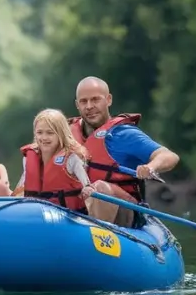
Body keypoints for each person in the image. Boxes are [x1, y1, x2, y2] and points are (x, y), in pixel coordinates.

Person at [68, 76, 180, 227]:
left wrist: (150, 167)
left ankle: (97, 240)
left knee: (99, 188)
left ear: (108, 100)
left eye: (95, 100)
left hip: (124, 214)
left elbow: (169, 156)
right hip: (78, 212)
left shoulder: (124, 134)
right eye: (83, 101)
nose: (89, 106)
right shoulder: (66, 135)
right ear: (77, 105)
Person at [12, 108, 95, 214]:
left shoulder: (72, 158)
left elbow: (87, 185)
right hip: (38, 213)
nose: (44, 137)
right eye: (39, 132)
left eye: (50, 133)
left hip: (69, 216)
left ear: (61, 134)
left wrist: (87, 188)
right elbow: (20, 188)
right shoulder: (29, 158)